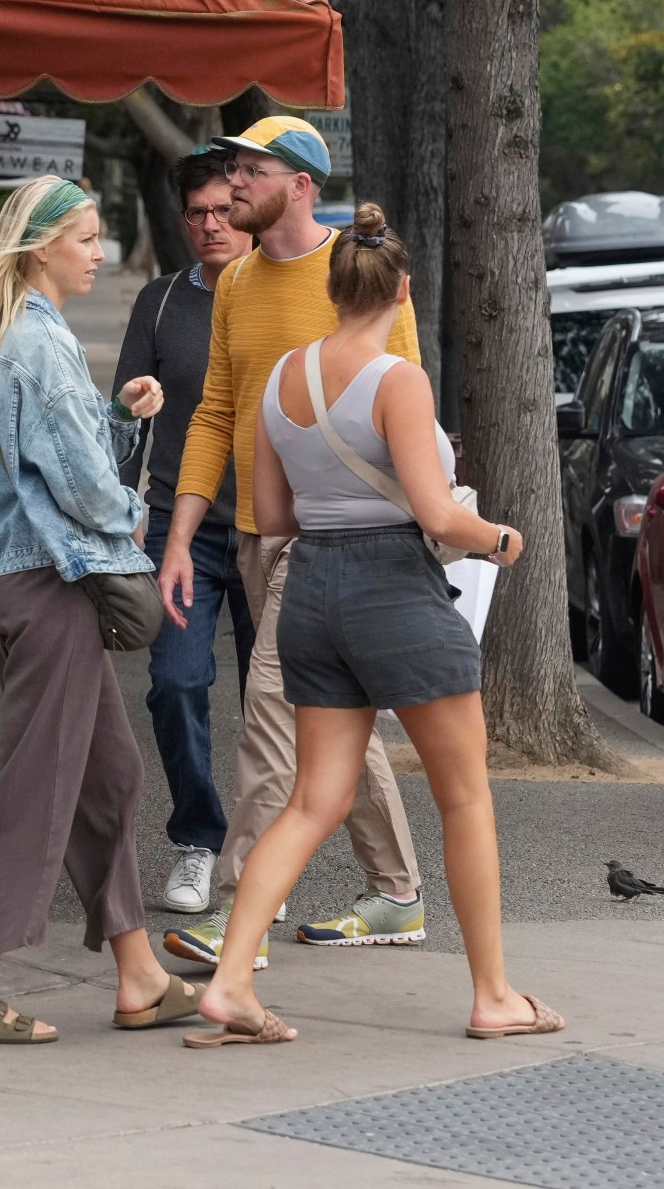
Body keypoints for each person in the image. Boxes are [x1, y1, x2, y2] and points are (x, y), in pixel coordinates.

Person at [186, 211, 558, 1048]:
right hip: (394, 589)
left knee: (315, 798)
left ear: (328, 288)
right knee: (464, 795)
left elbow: (273, 512)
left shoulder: (284, 376)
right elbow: (434, 513)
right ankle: (492, 994)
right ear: (401, 291)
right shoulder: (398, 380)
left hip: (310, 586)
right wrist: (499, 540)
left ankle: (232, 980)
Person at [0, 175, 196, 1045]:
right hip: (49, 587)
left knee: (106, 780)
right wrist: (135, 517)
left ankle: (140, 975)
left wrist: (117, 418)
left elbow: (55, 463)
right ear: (43, 247)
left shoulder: (27, 336)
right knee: (35, 789)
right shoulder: (38, 343)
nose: (99, 252)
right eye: (85, 237)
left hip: (32, 583)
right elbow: (84, 490)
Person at [158, 117, 427, 974]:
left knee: (270, 726)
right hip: (253, 539)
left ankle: (240, 914)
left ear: (302, 183)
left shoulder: (359, 271)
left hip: (335, 545)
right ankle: (397, 895)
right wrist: (178, 540)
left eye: (250, 169)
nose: (232, 183)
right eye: (231, 168)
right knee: (334, 726)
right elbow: (215, 412)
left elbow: (404, 396)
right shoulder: (235, 281)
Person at [115, 149, 256, 915]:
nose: (211, 225)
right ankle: (198, 842)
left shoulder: (284, 294)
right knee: (175, 683)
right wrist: (123, 512)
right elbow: (126, 422)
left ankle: (268, 845)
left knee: (293, 702)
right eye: (197, 213)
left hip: (273, 524)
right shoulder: (161, 305)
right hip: (181, 526)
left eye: (224, 210)